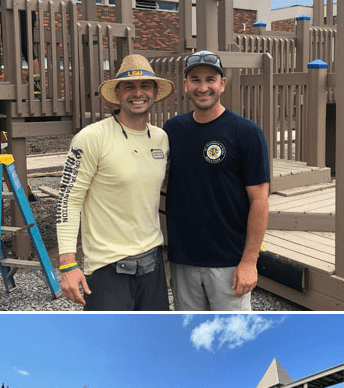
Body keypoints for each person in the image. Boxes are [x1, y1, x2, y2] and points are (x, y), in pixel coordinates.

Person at [56, 54, 175, 311]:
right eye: (129, 87)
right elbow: (68, 199)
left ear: (155, 92)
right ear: (118, 93)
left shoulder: (161, 138)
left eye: (145, 86)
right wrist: (67, 263)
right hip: (107, 266)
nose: (138, 93)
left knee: (152, 344)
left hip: (152, 263)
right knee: (108, 347)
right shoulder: (91, 138)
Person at [163, 50, 270, 311]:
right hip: (183, 261)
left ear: (222, 84)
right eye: (195, 79)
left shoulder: (246, 132)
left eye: (210, 79)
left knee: (233, 338)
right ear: (186, 85)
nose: (203, 87)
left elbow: (260, 200)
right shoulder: (172, 130)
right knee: (192, 337)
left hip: (229, 262)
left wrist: (249, 262)